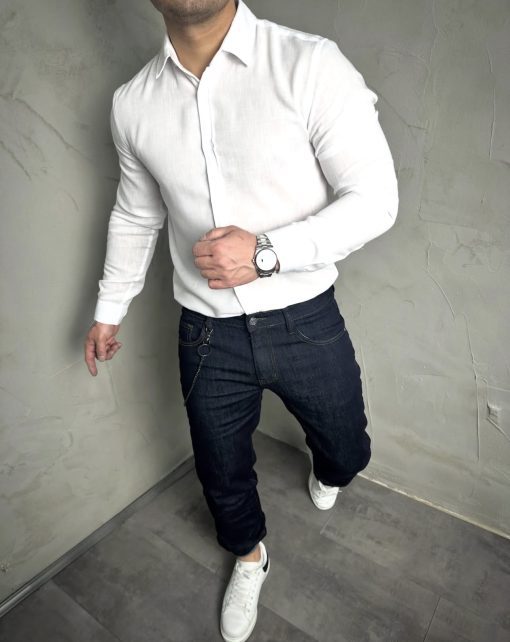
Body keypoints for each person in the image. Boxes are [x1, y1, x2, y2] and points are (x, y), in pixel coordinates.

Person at [83, 0, 399, 640]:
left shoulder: (309, 63)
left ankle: (330, 470)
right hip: (207, 332)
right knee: (220, 471)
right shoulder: (132, 104)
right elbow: (136, 214)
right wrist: (109, 309)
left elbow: (375, 199)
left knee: (348, 450)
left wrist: (265, 253)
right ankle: (250, 555)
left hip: (306, 318)